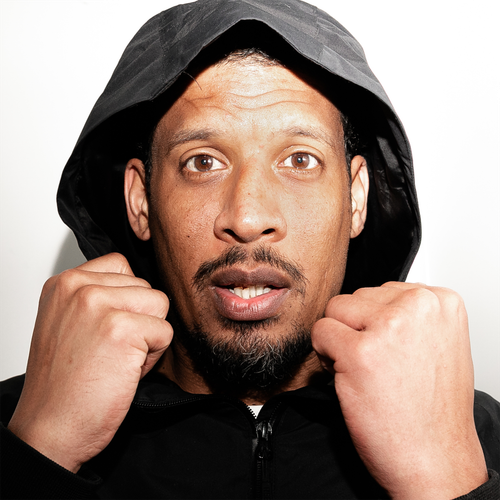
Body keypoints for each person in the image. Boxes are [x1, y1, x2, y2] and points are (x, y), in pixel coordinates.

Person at [1, 0, 499, 498]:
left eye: (300, 160)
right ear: (141, 201)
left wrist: (445, 479)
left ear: (356, 198)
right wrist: (39, 450)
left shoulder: (471, 440)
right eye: (202, 162)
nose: (247, 218)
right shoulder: (25, 424)